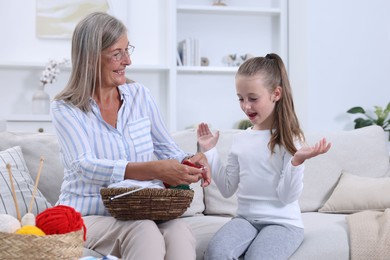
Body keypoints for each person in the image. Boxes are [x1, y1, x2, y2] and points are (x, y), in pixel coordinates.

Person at [50, 12, 210, 260]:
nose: (128, 61)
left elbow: (167, 149)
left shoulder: (140, 96)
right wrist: (154, 169)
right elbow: (84, 165)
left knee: (179, 231)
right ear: (91, 58)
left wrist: (191, 161)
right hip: (92, 213)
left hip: (142, 208)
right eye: (117, 54)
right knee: (143, 231)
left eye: (127, 50)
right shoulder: (65, 108)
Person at [197, 53, 331, 260]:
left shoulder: (291, 139)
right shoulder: (241, 140)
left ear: (276, 94)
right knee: (217, 252)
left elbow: (287, 197)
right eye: (240, 98)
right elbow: (226, 188)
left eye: (253, 98)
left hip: (284, 223)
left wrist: (296, 162)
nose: (245, 106)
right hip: (246, 219)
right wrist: (210, 152)